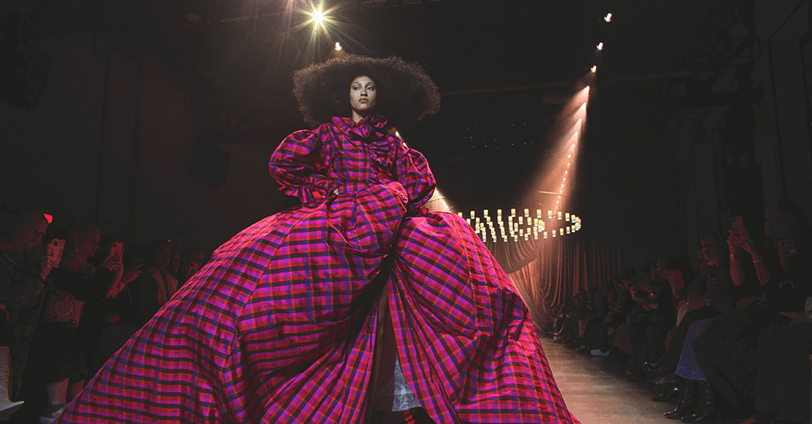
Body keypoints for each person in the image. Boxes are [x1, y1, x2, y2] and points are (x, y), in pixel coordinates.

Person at [53, 55, 579, 423]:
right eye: (357, 88)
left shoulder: (392, 144)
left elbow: (420, 180)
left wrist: (393, 197)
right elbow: (284, 165)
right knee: (247, 303)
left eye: (372, 90)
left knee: (466, 295)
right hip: (335, 223)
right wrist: (327, 194)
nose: (364, 95)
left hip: (396, 225)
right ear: (341, 95)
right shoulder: (326, 136)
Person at [0, 208, 53, 420]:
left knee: (9, 398)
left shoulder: (31, 259)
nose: (37, 237)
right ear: (17, 226)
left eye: (41, 234)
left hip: (21, 339)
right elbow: (7, 297)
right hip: (7, 333)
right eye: (33, 230)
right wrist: (40, 277)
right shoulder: (5, 257)